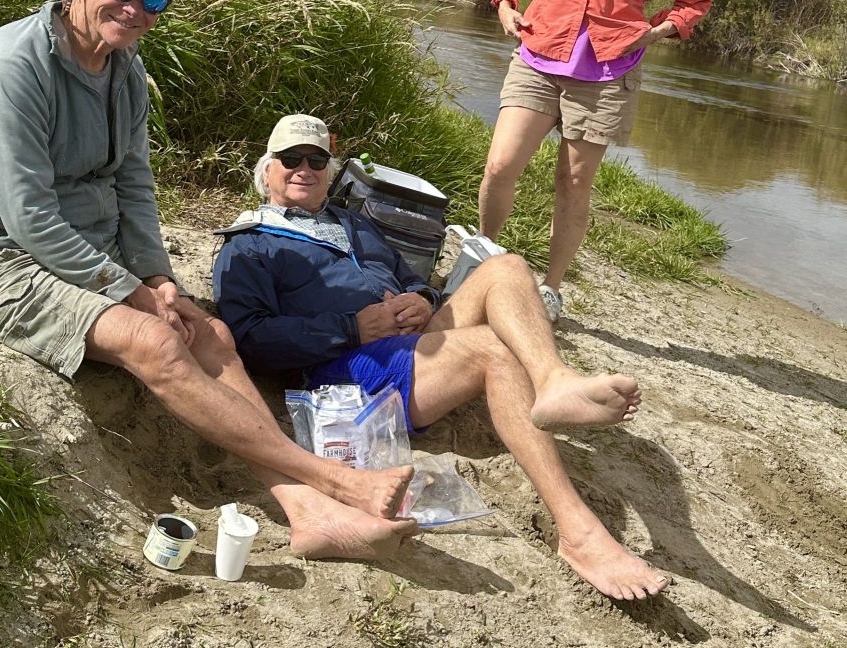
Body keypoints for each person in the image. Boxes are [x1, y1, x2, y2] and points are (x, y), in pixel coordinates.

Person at [0, 0, 417, 561]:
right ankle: (332, 481)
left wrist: (159, 279)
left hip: (86, 254)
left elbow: (133, 185)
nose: (134, 9)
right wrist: (128, 291)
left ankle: (308, 514)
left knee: (211, 334)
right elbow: (26, 216)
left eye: (153, 0)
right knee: (157, 340)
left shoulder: (124, 70)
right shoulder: (14, 65)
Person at [213, 114, 671, 600]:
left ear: (330, 170)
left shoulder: (350, 223)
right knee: (492, 350)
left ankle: (554, 380)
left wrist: (422, 300)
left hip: (405, 338)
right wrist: (350, 328)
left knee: (506, 267)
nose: (303, 168)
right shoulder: (249, 246)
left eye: (316, 159)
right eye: (289, 160)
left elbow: (407, 276)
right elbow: (251, 340)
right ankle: (578, 532)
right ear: (267, 172)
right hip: (344, 367)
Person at [478, 0, 711, 321]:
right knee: (499, 165)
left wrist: (654, 32)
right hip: (540, 51)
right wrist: (506, 3)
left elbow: (693, 1)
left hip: (609, 70)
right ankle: (482, 258)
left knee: (574, 182)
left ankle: (551, 289)